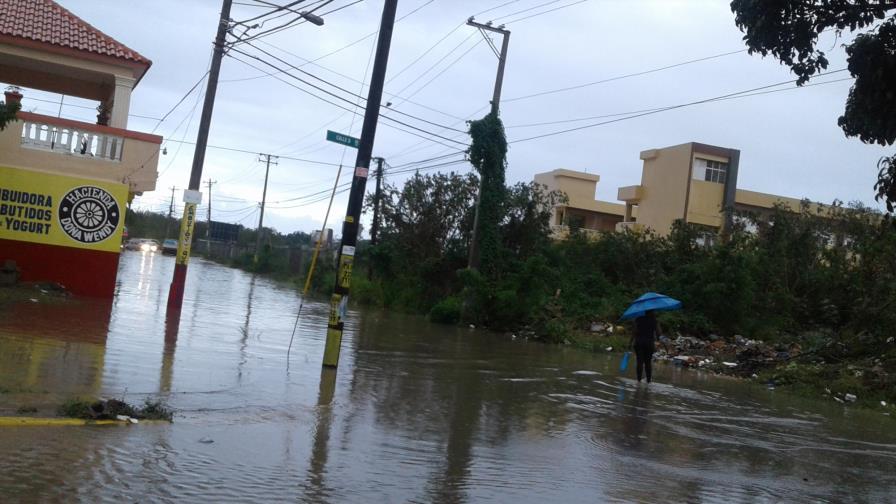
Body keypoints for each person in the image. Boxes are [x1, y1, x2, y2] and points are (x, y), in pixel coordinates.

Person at [629, 310, 661, 383]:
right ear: (652, 312)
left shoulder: (638, 319)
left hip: (639, 342)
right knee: (648, 363)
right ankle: (648, 381)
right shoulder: (655, 320)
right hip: (649, 343)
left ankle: (639, 380)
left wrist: (630, 343)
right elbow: (659, 333)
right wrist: (659, 340)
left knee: (639, 362)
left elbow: (634, 331)